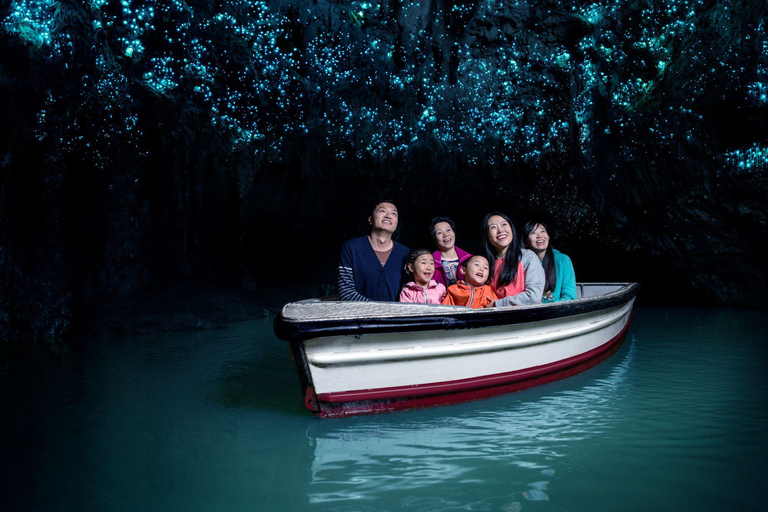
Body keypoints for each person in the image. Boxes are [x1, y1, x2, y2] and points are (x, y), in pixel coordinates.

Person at [338, 200, 410, 301]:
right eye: (382, 211)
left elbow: (410, 291)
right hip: (358, 315)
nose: (388, 216)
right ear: (370, 219)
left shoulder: (405, 253)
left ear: (396, 226)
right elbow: (346, 293)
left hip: (396, 316)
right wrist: (378, 311)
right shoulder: (352, 248)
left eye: (393, 213)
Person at [481, 212, 544, 306]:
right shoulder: (485, 264)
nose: (500, 230)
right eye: (493, 227)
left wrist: (497, 304)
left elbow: (533, 296)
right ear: (487, 235)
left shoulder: (528, 257)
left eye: (504, 224)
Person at [523, 221, 577, 302]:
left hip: (556, 312)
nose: (539, 236)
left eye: (542, 231)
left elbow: (569, 297)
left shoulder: (562, 260)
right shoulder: (521, 262)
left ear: (548, 236)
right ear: (526, 241)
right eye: (533, 233)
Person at [429, 216, 472, 287]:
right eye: (439, 232)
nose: (446, 235)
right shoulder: (430, 263)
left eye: (448, 230)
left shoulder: (470, 260)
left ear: (454, 233)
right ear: (435, 240)